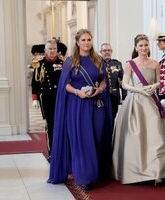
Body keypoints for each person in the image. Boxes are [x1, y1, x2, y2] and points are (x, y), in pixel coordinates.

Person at [47, 29, 112, 190]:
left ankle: (96, 172)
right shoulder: (71, 61)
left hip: (95, 105)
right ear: (77, 42)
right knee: (82, 140)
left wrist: (99, 90)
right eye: (83, 40)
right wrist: (78, 92)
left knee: (95, 138)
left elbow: (104, 81)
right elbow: (65, 85)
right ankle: (84, 177)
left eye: (89, 39)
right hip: (77, 105)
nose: (86, 43)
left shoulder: (98, 60)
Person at [112, 34, 165, 185]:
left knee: (156, 136)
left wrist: (154, 86)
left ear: (149, 46)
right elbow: (125, 84)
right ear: (136, 47)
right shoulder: (130, 64)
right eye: (140, 45)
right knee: (136, 137)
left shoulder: (155, 63)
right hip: (135, 102)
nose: (143, 48)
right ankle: (136, 170)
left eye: (146, 45)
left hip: (152, 101)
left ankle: (158, 171)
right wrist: (140, 90)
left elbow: (159, 81)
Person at [31, 39, 63, 160]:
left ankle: (62, 151)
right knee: (50, 125)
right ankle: (52, 153)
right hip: (46, 98)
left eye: (54, 49)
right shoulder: (39, 64)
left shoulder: (63, 63)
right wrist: (35, 98)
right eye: (50, 49)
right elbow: (35, 82)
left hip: (60, 97)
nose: (52, 51)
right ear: (45, 50)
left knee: (61, 124)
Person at [100, 43, 127, 127]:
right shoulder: (97, 64)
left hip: (114, 97)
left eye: (109, 50)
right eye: (104, 50)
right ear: (101, 52)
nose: (107, 52)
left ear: (111, 51)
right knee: (102, 120)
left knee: (112, 119)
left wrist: (124, 96)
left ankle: (111, 139)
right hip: (101, 97)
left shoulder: (117, 64)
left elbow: (123, 81)